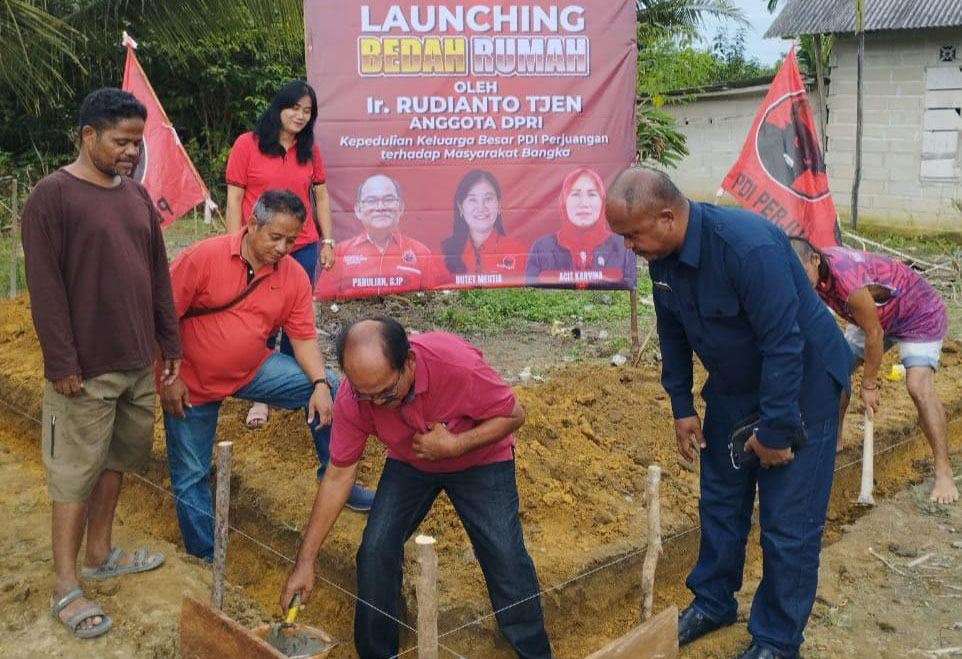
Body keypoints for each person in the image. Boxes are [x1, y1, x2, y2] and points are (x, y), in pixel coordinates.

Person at [605, 168, 853, 659]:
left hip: (802, 387)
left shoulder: (748, 248)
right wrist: (681, 406)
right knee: (720, 501)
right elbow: (672, 333)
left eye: (632, 234)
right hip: (736, 390)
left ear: (667, 217)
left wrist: (778, 431)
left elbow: (785, 345)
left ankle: (777, 640)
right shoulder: (663, 259)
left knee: (787, 523)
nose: (628, 246)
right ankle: (714, 602)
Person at [280, 317, 552, 659]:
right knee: (376, 549)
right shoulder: (355, 396)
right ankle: (378, 653)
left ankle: (535, 653)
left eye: (386, 393)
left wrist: (455, 446)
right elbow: (337, 477)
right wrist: (306, 560)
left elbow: (514, 414)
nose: (377, 404)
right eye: (367, 396)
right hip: (412, 462)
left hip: (481, 460)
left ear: (408, 362)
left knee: (505, 555)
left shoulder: (455, 364)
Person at [21, 88, 181, 639]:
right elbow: (44, 289)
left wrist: (170, 347)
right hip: (82, 371)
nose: (132, 151)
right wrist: (61, 361)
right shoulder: (51, 197)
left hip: (136, 362)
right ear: (88, 136)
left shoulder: (136, 197)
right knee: (72, 475)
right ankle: (66, 584)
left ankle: (100, 552)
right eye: (121, 141)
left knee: (115, 458)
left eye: (137, 142)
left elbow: (157, 275)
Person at [160, 189, 374, 561]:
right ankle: (206, 557)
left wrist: (320, 384)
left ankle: (335, 475)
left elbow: (303, 337)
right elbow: (159, 319)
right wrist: (165, 379)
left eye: (291, 240)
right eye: (275, 237)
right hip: (192, 381)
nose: (282, 248)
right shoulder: (201, 258)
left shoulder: (291, 275)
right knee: (192, 472)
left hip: (250, 370)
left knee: (334, 390)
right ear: (252, 224)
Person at [790, 238, 958, 504]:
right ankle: (834, 441)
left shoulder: (846, 282)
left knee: (918, 387)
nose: (799, 281)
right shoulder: (812, 276)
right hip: (873, 313)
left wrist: (868, 385)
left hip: (917, 313)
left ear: (815, 260)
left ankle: (943, 471)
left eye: (802, 273)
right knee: (831, 373)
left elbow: (874, 333)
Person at [224, 80, 335, 430]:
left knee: (297, 320)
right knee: (260, 317)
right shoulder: (248, 145)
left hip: (301, 247)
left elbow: (321, 197)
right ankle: (260, 395)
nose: (300, 116)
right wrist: (233, 247)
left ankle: (293, 385)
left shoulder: (309, 150)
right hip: (258, 249)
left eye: (307, 112)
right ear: (278, 107)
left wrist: (328, 241)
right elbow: (234, 199)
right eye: (295, 108)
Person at [316, 174, 434, 299]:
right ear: (358, 210)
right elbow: (322, 302)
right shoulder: (340, 253)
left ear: (401, 208)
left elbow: (432, 303)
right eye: (371, 201)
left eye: (388, 199)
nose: (380, 207)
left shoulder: (421, 253)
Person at [525, 167, 636, 289]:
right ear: (564, 201)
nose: (584, 203)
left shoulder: (622, 246)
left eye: (592, 194)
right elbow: (531, 292)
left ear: (602, 201)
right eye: (575, 194)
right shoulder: (541, 248)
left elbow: (628, 287)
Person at [438, 169, 526, 287]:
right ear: (460, 207)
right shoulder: (442, 253)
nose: (481, 207)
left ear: (499, 205)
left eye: (488, 199)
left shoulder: (518, 252)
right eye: (472, 200)